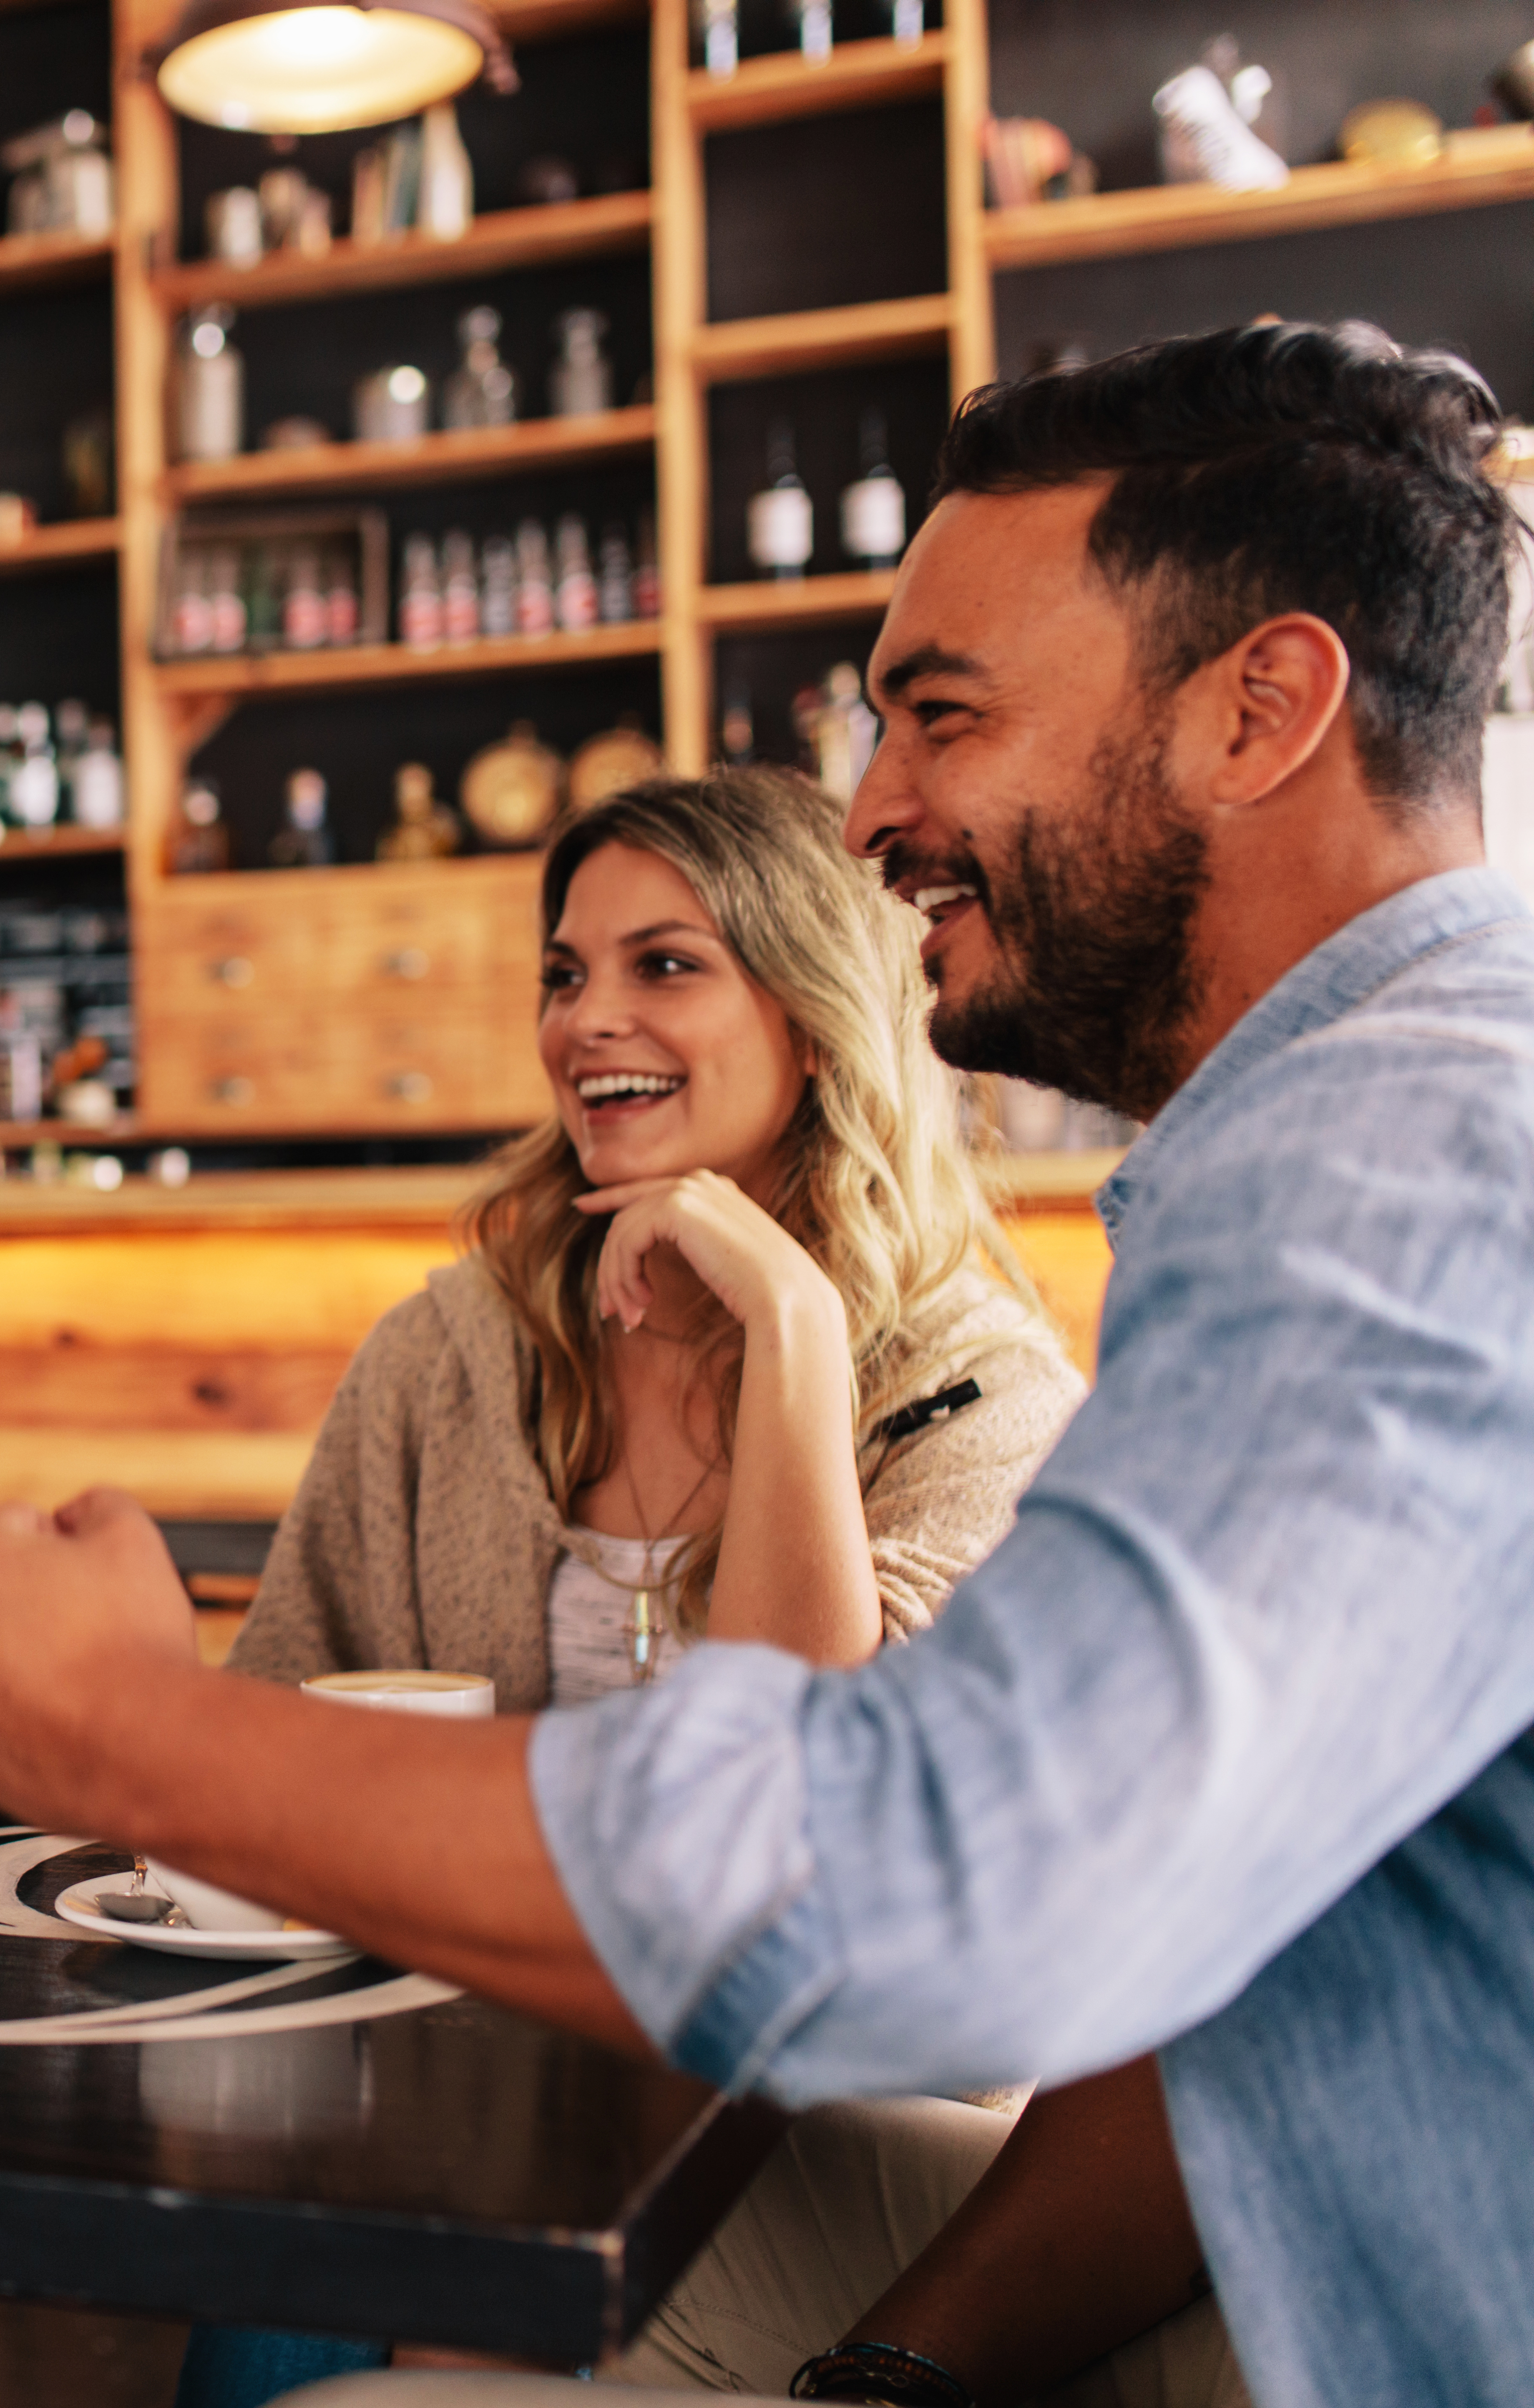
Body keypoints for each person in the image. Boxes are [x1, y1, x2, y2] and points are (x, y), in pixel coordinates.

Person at [0, 318, 1534, 2408]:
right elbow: (1215, 1975)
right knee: (377, 2260)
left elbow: (932, 1893)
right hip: (1275, 2218)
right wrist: (895, 2373)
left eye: (941, 715)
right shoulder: (1352, 1119)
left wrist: (121, 1731)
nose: (871, 811)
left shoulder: (1397, 1154)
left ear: (1258, 710)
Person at [184, 768, 1084, 2408]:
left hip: (834, 2128)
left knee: (371, 2249)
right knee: (294, 2217)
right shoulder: (448, 1354)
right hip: (469, 2074)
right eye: (562, 971)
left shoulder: (985, 1402)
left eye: (664, 963)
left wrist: (790, 1328)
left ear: (815, 1014)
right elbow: (270, 1734)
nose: (584, 1018)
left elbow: (806, 1821)